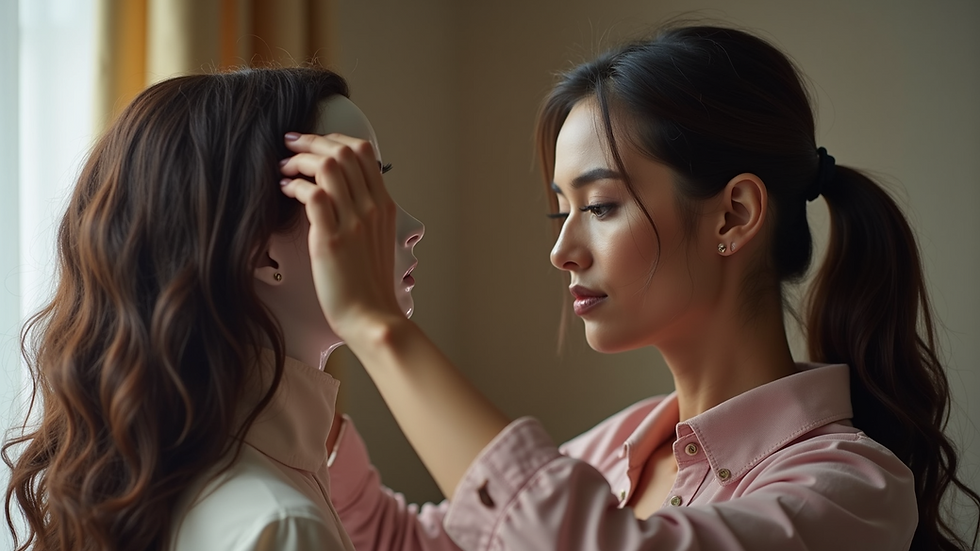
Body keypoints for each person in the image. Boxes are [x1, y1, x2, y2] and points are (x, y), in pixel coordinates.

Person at [278, 25, 980, 550]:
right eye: (561, 210)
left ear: (734, 214)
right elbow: (404, 542)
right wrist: (300, 344)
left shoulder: (853, 491)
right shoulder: (617, 448)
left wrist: (380, 325)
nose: (561, 250)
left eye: (602, 206)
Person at [2, 67, 425, 551]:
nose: (412, 226)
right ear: (264, 253)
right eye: (362, 193)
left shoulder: (163, 481)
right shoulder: (280, 526)